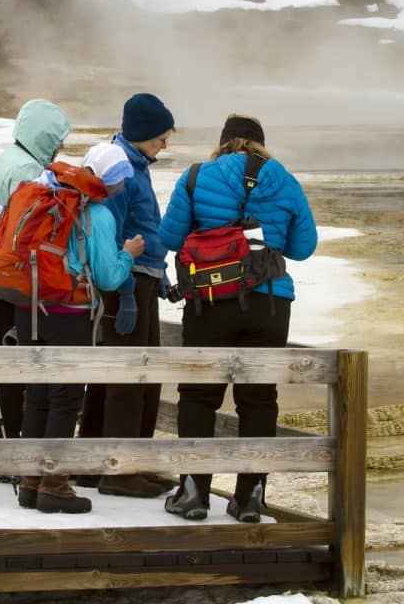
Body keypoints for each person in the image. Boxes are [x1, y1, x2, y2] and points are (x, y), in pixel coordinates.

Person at [158, 114, 317, 523]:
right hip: (268, 303)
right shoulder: (283, 179)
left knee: (198, 396)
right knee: (259, 398)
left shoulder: (197, 176)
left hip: (209, 300)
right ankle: (250, 496)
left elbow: (171, 238)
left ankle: (193, 492)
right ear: (261, 144)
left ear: (224, 142)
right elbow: (303, 247)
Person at [15, 143, 144, 514]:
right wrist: (128, 255)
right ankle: (54, 484)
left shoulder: (45, 193)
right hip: (69, 311)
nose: (121, 187)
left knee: (36, 394)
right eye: (120, 180)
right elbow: (106, 275)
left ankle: (30, 480)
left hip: (29, 307)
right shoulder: (97, 214)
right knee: (66, 398)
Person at [78, 92, 176, 499]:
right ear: (142, 134)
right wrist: (129, 291)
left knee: (124, 372)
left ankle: (94, 463)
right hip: (125, 283)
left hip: (140, 277)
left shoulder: (137, 163)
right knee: (131, 375)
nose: (165, 145)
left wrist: (162, 271)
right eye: (161, 137)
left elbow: (145, 227)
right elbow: (114, 236)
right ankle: (119, 471)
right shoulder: (123, 171)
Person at [0, 99, 71, 444]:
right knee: (15, 365)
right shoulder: (27, 171)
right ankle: (13, 442)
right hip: (10, 281)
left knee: (5, 363)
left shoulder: (11, 159)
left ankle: (9, 437)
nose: (60, 147)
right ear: (44, 136)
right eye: (58, 140)